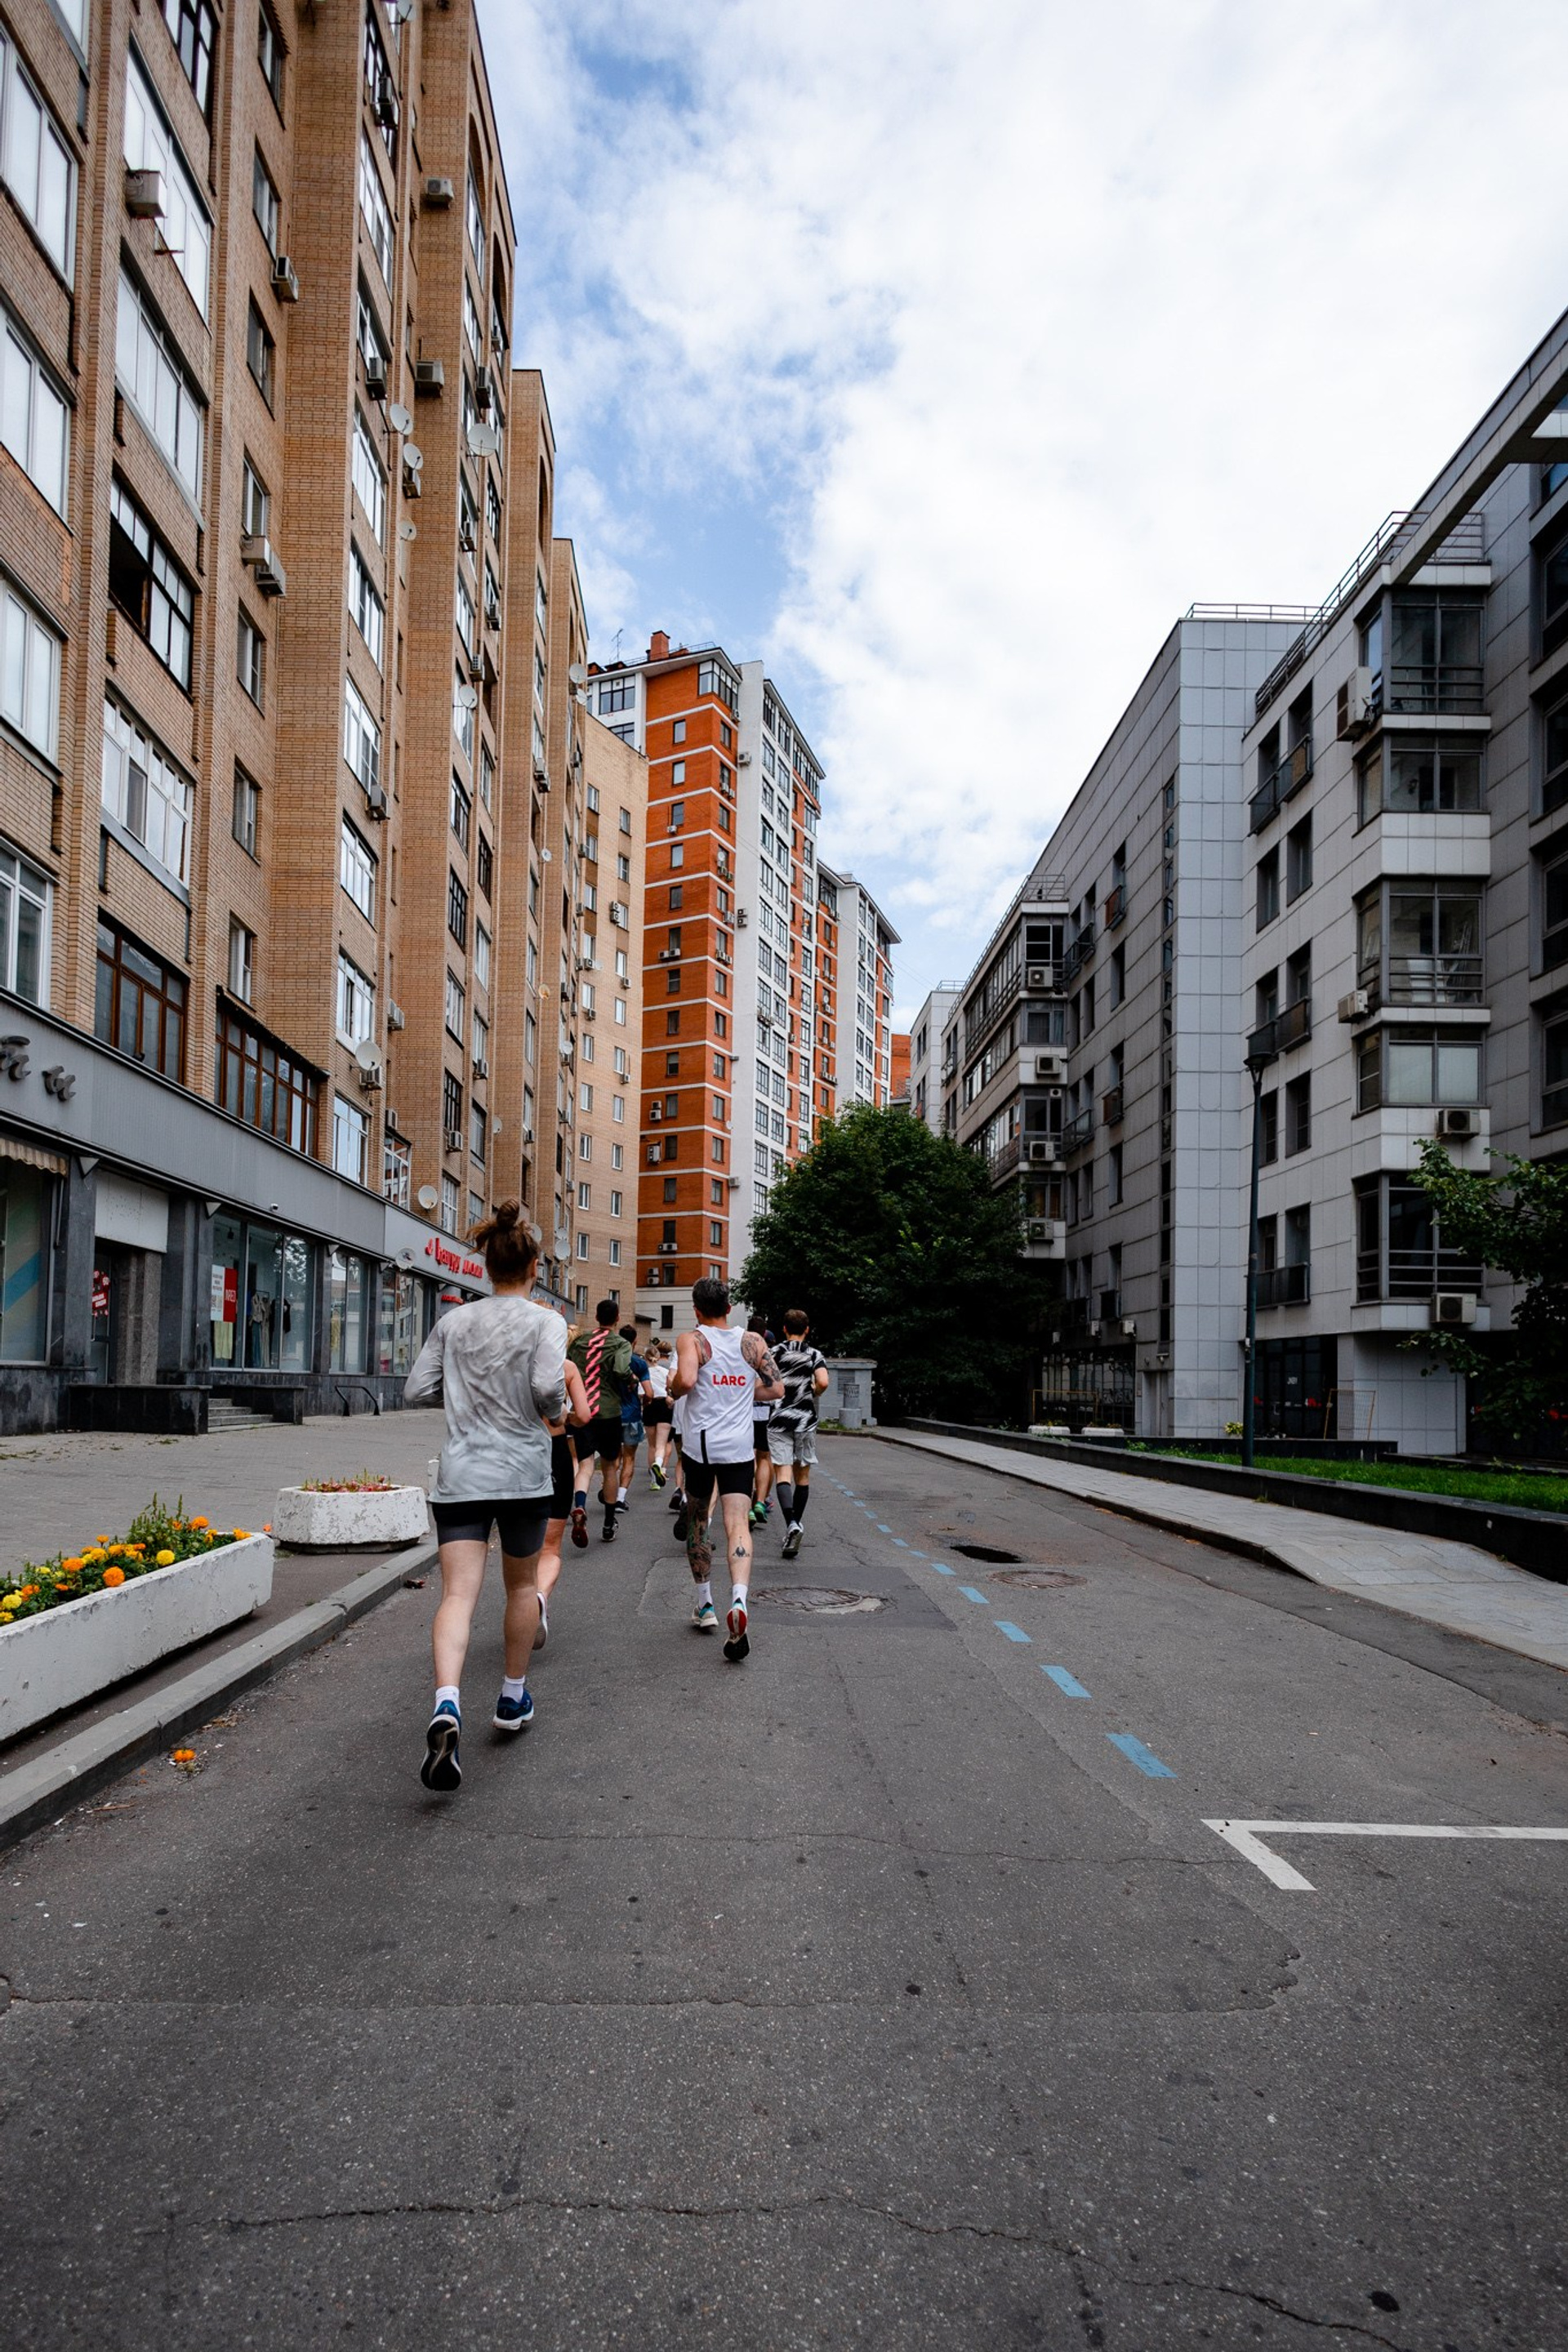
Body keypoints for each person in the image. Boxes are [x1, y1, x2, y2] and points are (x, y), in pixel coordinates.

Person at [403, 1204, 564, 1792]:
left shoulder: (455, 1322)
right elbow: (549, 1386)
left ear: (486, 1264)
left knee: (457, 1595)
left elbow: (416, 1387)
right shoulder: (546, 1322)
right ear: (534, 1266)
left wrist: (463, 1398)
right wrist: (555, 1413)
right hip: (522, 1474)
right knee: (522, 1587)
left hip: (463, 1475)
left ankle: (447, 1702)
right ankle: (512, 1696)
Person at [669, 1277, 782, 1662]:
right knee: (738, 1525)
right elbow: (776, 1388)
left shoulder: (692, 1340)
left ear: (696, 1309)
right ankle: (739, 1599)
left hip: (701, 1448)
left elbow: (685, 1380)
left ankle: (705, 1606)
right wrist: (737, 1391)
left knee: (699, 1519)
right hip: (738, 1447)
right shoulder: (752, 1341)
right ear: (729, 1308)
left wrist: (673, 1386)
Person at [533, 1350, 593, 1652]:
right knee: (550, 1546)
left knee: (518, 1539)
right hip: (555, 1449)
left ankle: (521, 1602)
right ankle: (540, 1596)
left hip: (517, 1451)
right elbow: (583, 1416)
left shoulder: (509, 1360)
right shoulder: (565, 1367)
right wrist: (564, 1417)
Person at [567, 1300, 635, 1544]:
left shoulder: (579, 1343)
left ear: (595, 1317)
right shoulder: (621, 1343)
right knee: (608, 1467)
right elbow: (620, 1369)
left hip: (582, 1411)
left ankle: (581, 1507)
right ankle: (608, 1524)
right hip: (608, 1413)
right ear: (617, 1318)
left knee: (585, 1466)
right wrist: (631, 1378)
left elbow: (568, 1367)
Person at [767, 1308, 831, 1558]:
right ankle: (795, 1524)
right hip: (805, 1420)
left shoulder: (775, 1352)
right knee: (802, 1476)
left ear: (784, 1328)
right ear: (807, 1329)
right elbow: (823, 1382)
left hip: (780, 1418)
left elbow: (765, 1380)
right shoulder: (814, 1354)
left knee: (782, 1473)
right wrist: (813, 1392)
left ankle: (791, 1525)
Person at [616, 1324, 652, 1512]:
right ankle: (620, 1498)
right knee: (629, 1458)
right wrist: (644, 1403)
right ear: (635, 1341)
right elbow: (650, 1392)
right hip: (631, 1415)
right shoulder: (639, 1363)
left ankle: (608, 1491)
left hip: (611, 1415)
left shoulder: (611, 1359)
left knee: (612, 1460)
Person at [747, 1316, 777, 1532]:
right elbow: (776, 1387)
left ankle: (748, 1505)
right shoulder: (770, 1355)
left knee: (748, 1457)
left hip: (745, 1412)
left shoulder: (741, 1353)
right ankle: (760, 1500)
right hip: (767, 1411)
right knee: (765, 1457)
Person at [644, 1343, 674, 1487]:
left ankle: (653, 1482)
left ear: (646, 1358)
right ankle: (660, 1465)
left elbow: (641, 1393)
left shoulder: (644, 1373)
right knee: (662, 1443)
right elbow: (671, 1387)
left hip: (650, 1406)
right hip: (664, 1406)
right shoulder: (665, 1371)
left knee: (651, 1445)